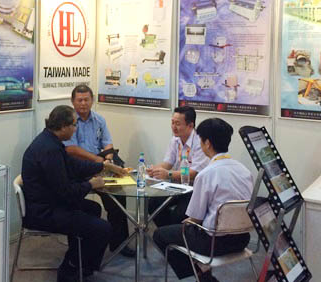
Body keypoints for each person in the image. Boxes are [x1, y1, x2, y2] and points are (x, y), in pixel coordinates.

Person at [21, 105, 128, 282]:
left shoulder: (50, 141)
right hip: (44, 211)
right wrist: (90, 184)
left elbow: (73, 165)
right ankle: (69, 269)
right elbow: (66, 192)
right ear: (63, 126)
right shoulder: (49, 150)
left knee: (93, 209)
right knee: (103, 229)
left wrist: (103, 166)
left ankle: (83, 265)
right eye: (73, 124)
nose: (75, 128)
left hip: (48, 202)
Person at [153, 118, 254, 282]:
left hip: (213, 243)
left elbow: (195, 218)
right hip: (242, 239)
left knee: (160, 235)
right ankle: (201, 271)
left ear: (207, 143)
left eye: (200, 140)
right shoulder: (244, 170)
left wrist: (187, 222)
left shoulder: (206, 174)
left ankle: (201, 274)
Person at [64, 84, 135, 257]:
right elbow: (71, 149)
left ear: (92, 100)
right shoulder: (68, 121)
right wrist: (98, 161)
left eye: (86, 100)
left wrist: (108, 159)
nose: (83, 103)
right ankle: (81, 245)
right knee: (76, 201)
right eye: (79, 100)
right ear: (72, 102)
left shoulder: (99, 119)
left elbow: (107, 143)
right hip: (78, 168)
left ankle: (119, 244)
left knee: (117, 196)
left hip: (101, 164)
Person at [147, 106, 209, 226]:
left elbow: (194, 173)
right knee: (153, 204)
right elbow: (168, 163)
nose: (173, 127)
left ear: (190, 125)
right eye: (172, 122)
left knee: (178, 215)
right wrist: (154, 169)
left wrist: (168, 174)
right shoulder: (175, 140)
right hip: (177, 185)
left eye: (178, 124)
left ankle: (172, 234)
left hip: (194, 189)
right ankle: (165, 233)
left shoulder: (200, 142)